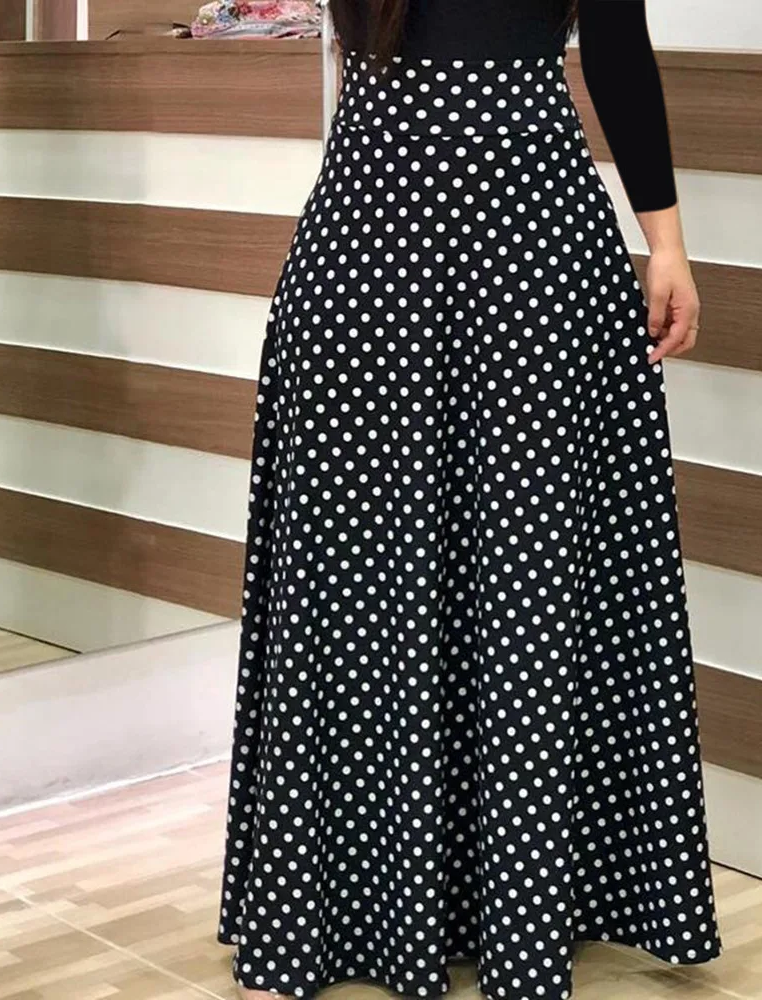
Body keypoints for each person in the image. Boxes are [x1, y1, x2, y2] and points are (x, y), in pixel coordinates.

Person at [217, 1, 723, 997]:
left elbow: (614, 47)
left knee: (412, 576)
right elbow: (614, 44)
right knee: (468, 575)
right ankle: (479, 906)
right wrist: (664, 245)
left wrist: (664, 244)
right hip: (483, 233)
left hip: (415, 235)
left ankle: (378, 903)